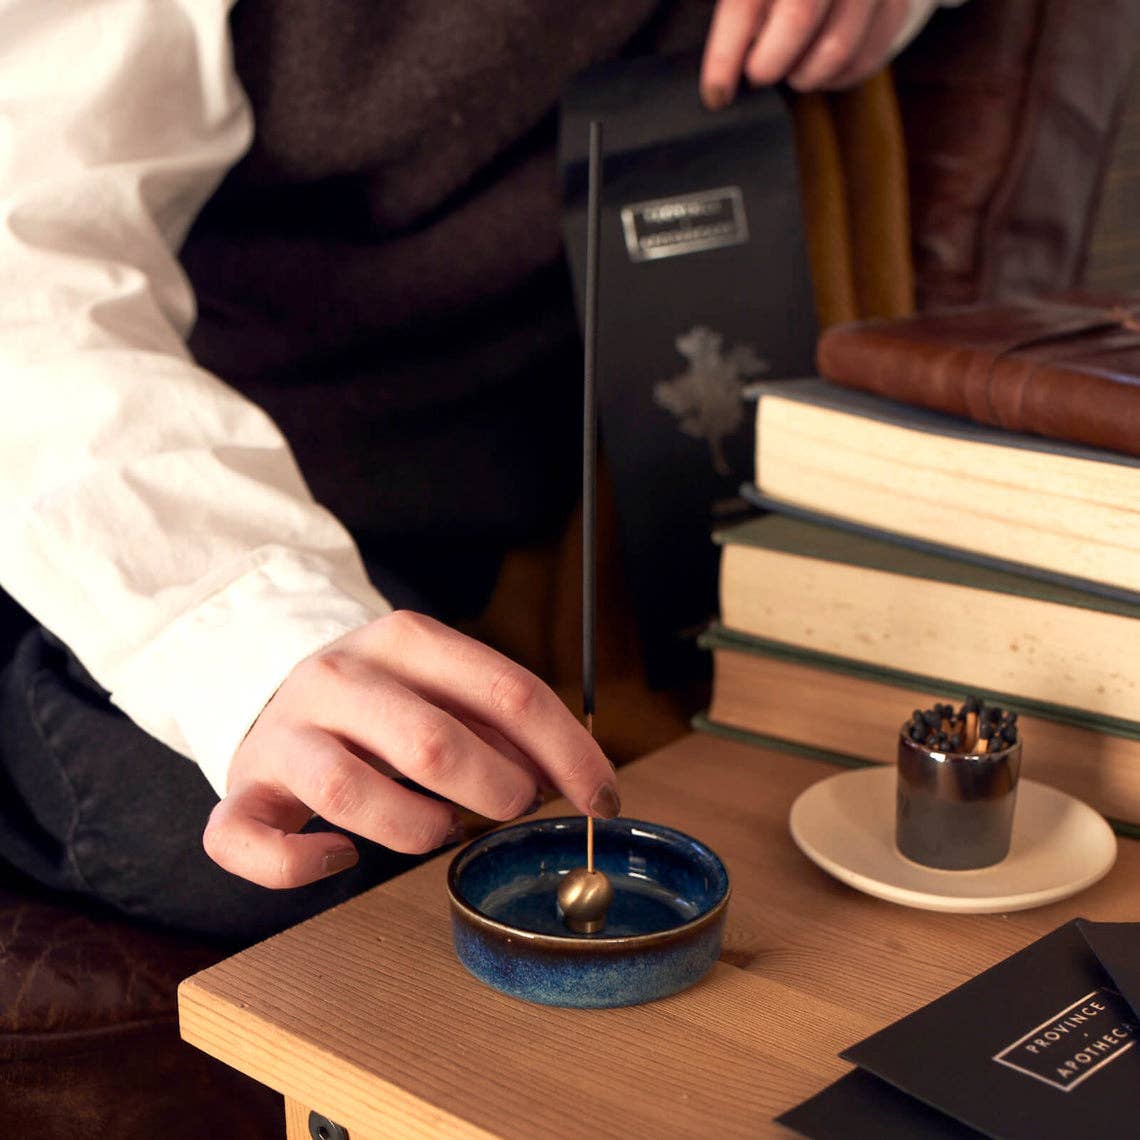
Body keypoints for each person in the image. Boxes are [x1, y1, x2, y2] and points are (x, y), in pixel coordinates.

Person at [0, 0, 958, 944]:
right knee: (302, 835)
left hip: (513, 501)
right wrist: (252, 632)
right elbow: (29, 260)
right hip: (150, 493)